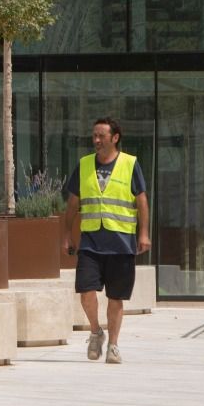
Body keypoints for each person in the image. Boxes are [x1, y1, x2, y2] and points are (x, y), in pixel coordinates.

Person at [61, 117, 150, 365]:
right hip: (90, 242)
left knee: (116, 297)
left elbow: (141, 201)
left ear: (115, 138)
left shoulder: (130, 164)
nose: (97, 141)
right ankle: (95, 331)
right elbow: (72, 204)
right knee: (86, 292)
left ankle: (113, 345)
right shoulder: (84, 164)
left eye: (101, 136)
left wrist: (143, 233)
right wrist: (67, 234)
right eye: (94, 136)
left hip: (121, 243)